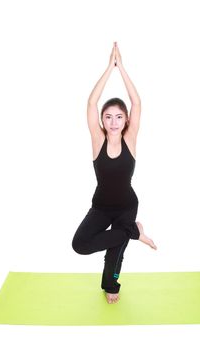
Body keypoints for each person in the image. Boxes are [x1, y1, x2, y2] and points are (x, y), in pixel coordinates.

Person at [72, 42, 157, 304]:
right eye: (108, 117)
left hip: (126, 207)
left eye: (119, 117)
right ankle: (134, 232)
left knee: (114, 255)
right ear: (102, 120)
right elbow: (90, 102)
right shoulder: (97, 139)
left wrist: (124, 69)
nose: (113, 122)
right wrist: (110, 67)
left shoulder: (130, 139)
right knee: (80, 245)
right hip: (101, 207)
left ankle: (111, 283)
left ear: (126, 120)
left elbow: (137, 101)